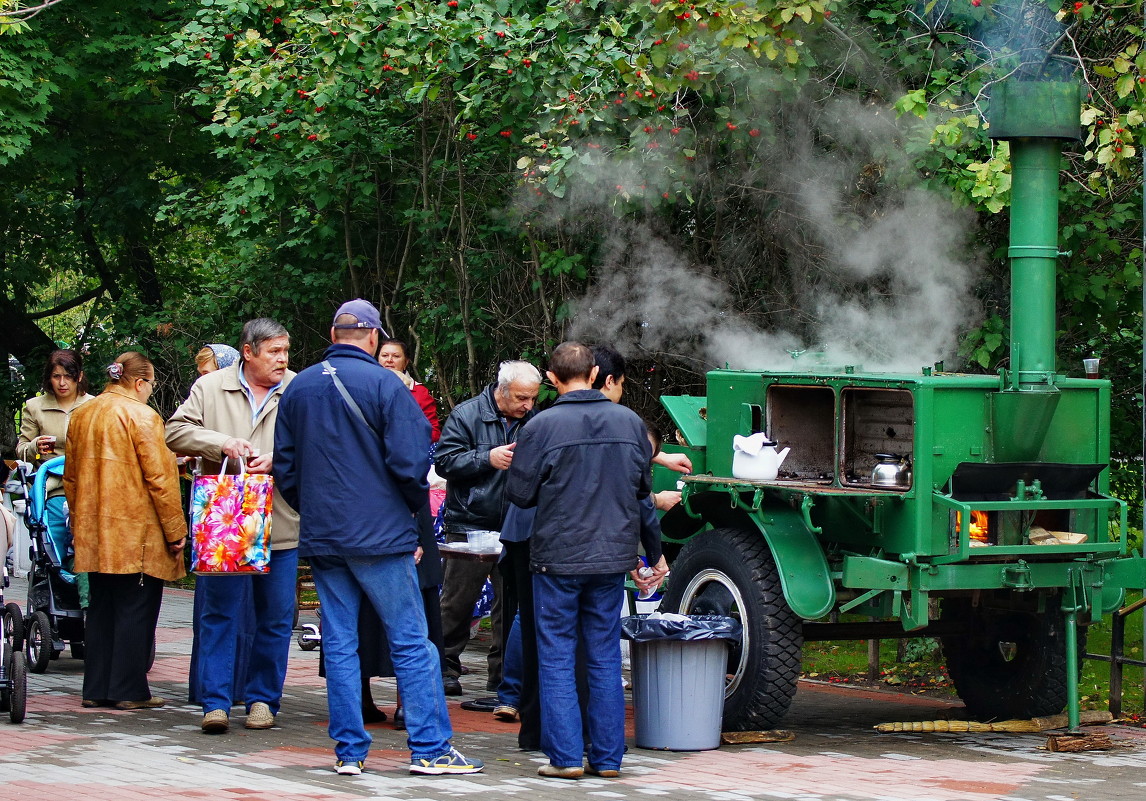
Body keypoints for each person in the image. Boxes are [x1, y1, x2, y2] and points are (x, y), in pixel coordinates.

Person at [274, 298, 482, 776]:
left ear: (332, 334)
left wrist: (316, 511)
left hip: (325, 536)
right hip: (381, 536)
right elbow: (412, 464)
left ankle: (349, 753)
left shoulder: (299, 387)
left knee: (341, 642)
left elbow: (285, 468)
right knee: (412, 641)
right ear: (372, 337)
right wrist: (410, 513)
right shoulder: (386, 384)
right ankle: (430, 749)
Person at [506, 341, 667, 780]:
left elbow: (519, 495)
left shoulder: (540, 427)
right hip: (612, 559)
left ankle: (564, 759)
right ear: (595, 374)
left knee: (557, 655)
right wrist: (653, 553)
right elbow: (642, 498)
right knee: (603, 657)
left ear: (552, 380)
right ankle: (609, 759)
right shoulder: (631, 423)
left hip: (557, 558)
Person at [165, 319, 298, 734]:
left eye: (285, 351)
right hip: (226, 525)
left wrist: (278, 458)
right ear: (248, 351)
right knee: (219, 613)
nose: (282, 359)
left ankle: (262, 700)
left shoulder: (298, 388)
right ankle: (216, 703)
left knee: (276, 617)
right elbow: (174, 431)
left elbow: (321, 442)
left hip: (280, 521)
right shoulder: (210, 387)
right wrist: (220, 443)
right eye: (274, 351)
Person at [63, 352, 186, 710]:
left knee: (102, 607)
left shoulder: (82, 414)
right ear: (139, 382)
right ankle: (129, 689)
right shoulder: (142, 416)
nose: (150, 392)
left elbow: (70, 477)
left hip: (95, 529)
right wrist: (175, 530)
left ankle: (96, 687)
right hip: (137, 530)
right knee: (136, 606)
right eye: (150, 385)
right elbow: (161, 481)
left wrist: (79, 519)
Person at [434, 360, 541, 696]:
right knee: (457, 601)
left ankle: (504, 675)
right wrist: (486, 459)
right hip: (470, 522)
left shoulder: (535, 422)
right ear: (502, 390)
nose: (528, 405)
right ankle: (443, 667)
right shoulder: (467, 414)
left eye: (534, 398)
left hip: (517, 526)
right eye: (522, 398)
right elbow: (444, 461)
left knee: (510, 605)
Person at [17, 348, 95, 469]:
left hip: (86, 475)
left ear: (79, 376)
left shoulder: (95, 405)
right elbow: (21, 450)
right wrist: (34, 447)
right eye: (56, 376)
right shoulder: (34, 407)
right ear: (49, 378)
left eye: (68, 376)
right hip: (47, 478)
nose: (62, 383)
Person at [378, 338, 440, 441]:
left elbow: (434, 433)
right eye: (384, 355)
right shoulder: (366, 386)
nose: (389, 360)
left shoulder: (420, 392)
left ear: (406, 362)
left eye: (396, 356)